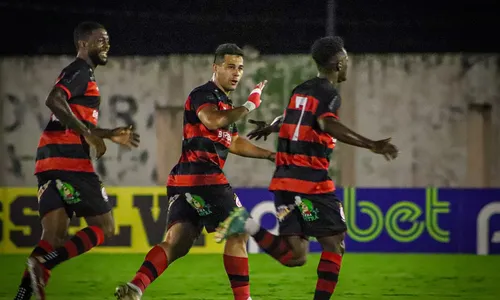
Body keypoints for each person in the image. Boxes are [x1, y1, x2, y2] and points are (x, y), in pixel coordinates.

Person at [215, 36, 399, 300]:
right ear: (338, 64)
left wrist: (271, 125)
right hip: (310, 178)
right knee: (335, 244)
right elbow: (326, 123)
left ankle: (247, 224)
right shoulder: (329, 93)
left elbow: (292, 117)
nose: (347, 65)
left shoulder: (301, 89)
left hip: (284, 179)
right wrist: (371, 144)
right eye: (346, 60)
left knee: (295, 257)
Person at [115, 43, 275, 300]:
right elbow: (212, 120)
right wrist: (250, 105)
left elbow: (233, 141)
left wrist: (269, 155)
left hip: (184, 180)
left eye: (241, 68)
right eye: (230, 66)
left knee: (177, 242)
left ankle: (136, 287)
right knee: (239, 232)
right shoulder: (204, 94)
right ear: (216, 68)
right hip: (205, 177)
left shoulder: (224, 102)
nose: (236, 73)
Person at [14, 21, 140, 300]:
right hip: (70, 161)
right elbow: (54, 99)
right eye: (100, 40)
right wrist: (89, 135)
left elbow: (70, 118)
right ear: (83, 44)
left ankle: (21, 297)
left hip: (48, 162)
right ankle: (45, 264)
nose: (106, 45)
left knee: (53, 237)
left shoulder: (82, 75)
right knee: (105, 227)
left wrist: (106, 134)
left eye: (108, 40)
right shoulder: (80, 70)